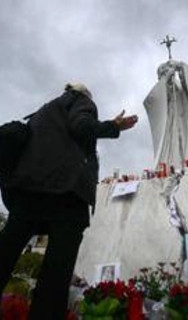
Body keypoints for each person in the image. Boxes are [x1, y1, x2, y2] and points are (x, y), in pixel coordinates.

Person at [0, 83, 138, 319]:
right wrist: (113, 126)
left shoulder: (43, 112)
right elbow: (81, 126)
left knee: (6, 250)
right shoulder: (81, 101)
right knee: (57, 270)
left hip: (28, 191)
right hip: (65, 194)